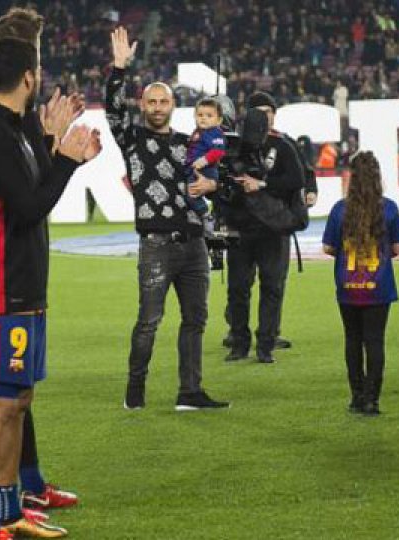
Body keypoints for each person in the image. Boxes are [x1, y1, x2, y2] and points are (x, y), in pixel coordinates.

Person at [0, 39, 100, 540]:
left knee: (18, 402)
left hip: (24, 286)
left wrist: (50, 147)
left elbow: (30, 188)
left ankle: (9, 510)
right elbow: (27, 206)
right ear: (27, 77)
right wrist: (64, 158)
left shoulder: (13, 129)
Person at [107, 27, 229, 411]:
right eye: (151, 101)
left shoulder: (188, 144)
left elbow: (217, 177)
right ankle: (135, 391)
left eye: (164, 101)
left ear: (173, 106)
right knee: (149, 321)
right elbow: (113, 108)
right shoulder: (132, 140)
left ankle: (189, 392)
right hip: (156, 245)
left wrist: (211, 187)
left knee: (196, 320)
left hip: (193, 243)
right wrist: (119, 68)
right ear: (143, 106)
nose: (157, 106)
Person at [224, 92, 312, 364]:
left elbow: (296, 180)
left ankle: (265, 344)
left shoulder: (283, 146)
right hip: (240, 227)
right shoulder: (231, 147)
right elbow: (221, 180)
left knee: (272, 286)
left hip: (273, 228)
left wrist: (261, 184)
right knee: (238, 288)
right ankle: (239, 342)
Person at [322, 151, 399, 416]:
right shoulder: (389, 207)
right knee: (375, 341)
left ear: (352, 178)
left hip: (348, 285)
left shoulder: (340, 209)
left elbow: (328, 248)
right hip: (378, 286)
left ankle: (357, 396)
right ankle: (372, 398)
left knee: (352, 339)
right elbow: (395, 249)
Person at [184, 97, 226, 218]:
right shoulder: (198, 132)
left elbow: (218, 151)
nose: (203, 118)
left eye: (209, 115)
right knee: (188, 194)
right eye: (200, 114)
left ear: (219, 120)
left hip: (206, 170)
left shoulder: (215, 132)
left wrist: (204, 160)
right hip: (195, 169)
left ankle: (206, 215)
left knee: (192, 193)